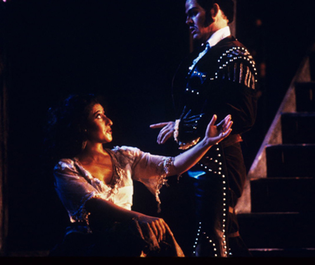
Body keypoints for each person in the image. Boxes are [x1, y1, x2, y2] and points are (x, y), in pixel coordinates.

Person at [45, 93, 234, 257]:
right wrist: (140, 217)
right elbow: (95, 204)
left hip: (129, 236)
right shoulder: (66, 168)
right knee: (141, 233)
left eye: (105, 115)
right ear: (82, 126)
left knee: (149, 234)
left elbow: (173, 165)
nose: (109, 121)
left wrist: (207, 142)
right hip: (89, 242)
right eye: (99, 116)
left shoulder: (125, 157)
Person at [150, 0, 258, 257]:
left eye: (193, 12)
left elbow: (243, 116)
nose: (187, 20)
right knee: (213, 239)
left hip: (219, 162)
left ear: (215, 10)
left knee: (212, 241)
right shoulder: (205, 54)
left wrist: (183, 126)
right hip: (201, 160)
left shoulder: (235, 54)